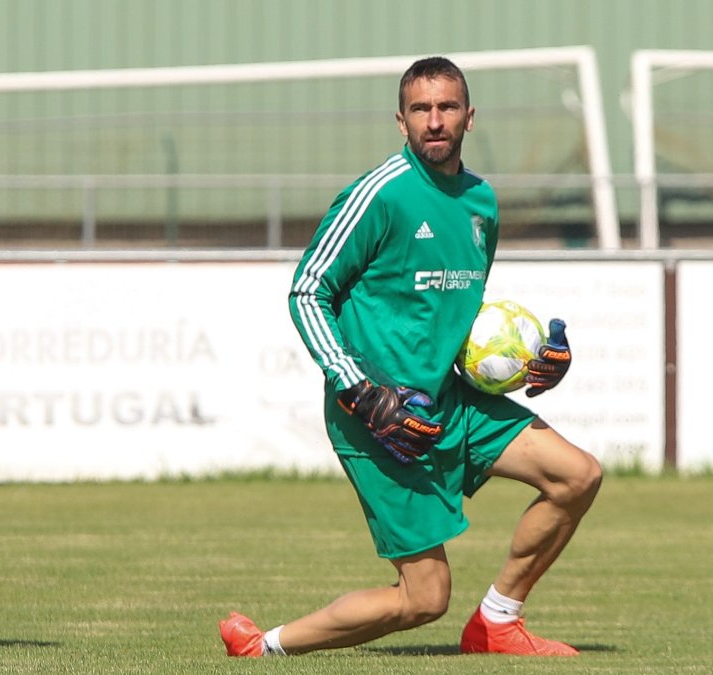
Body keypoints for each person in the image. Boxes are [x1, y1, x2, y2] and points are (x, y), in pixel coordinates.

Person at [218, 56, 601, 658]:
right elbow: (307, 291)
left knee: (577, 475)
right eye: (421, 109)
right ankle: (264, 647)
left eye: (447, 107)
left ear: (469, 118)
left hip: (452, 403)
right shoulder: (380, 195)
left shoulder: (481, 203)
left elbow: (456, 311)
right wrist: (359, 389)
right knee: (425, 599)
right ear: (401, 121)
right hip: (383, 418)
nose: (434, 120)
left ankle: (498, 622)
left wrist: (533, 362)